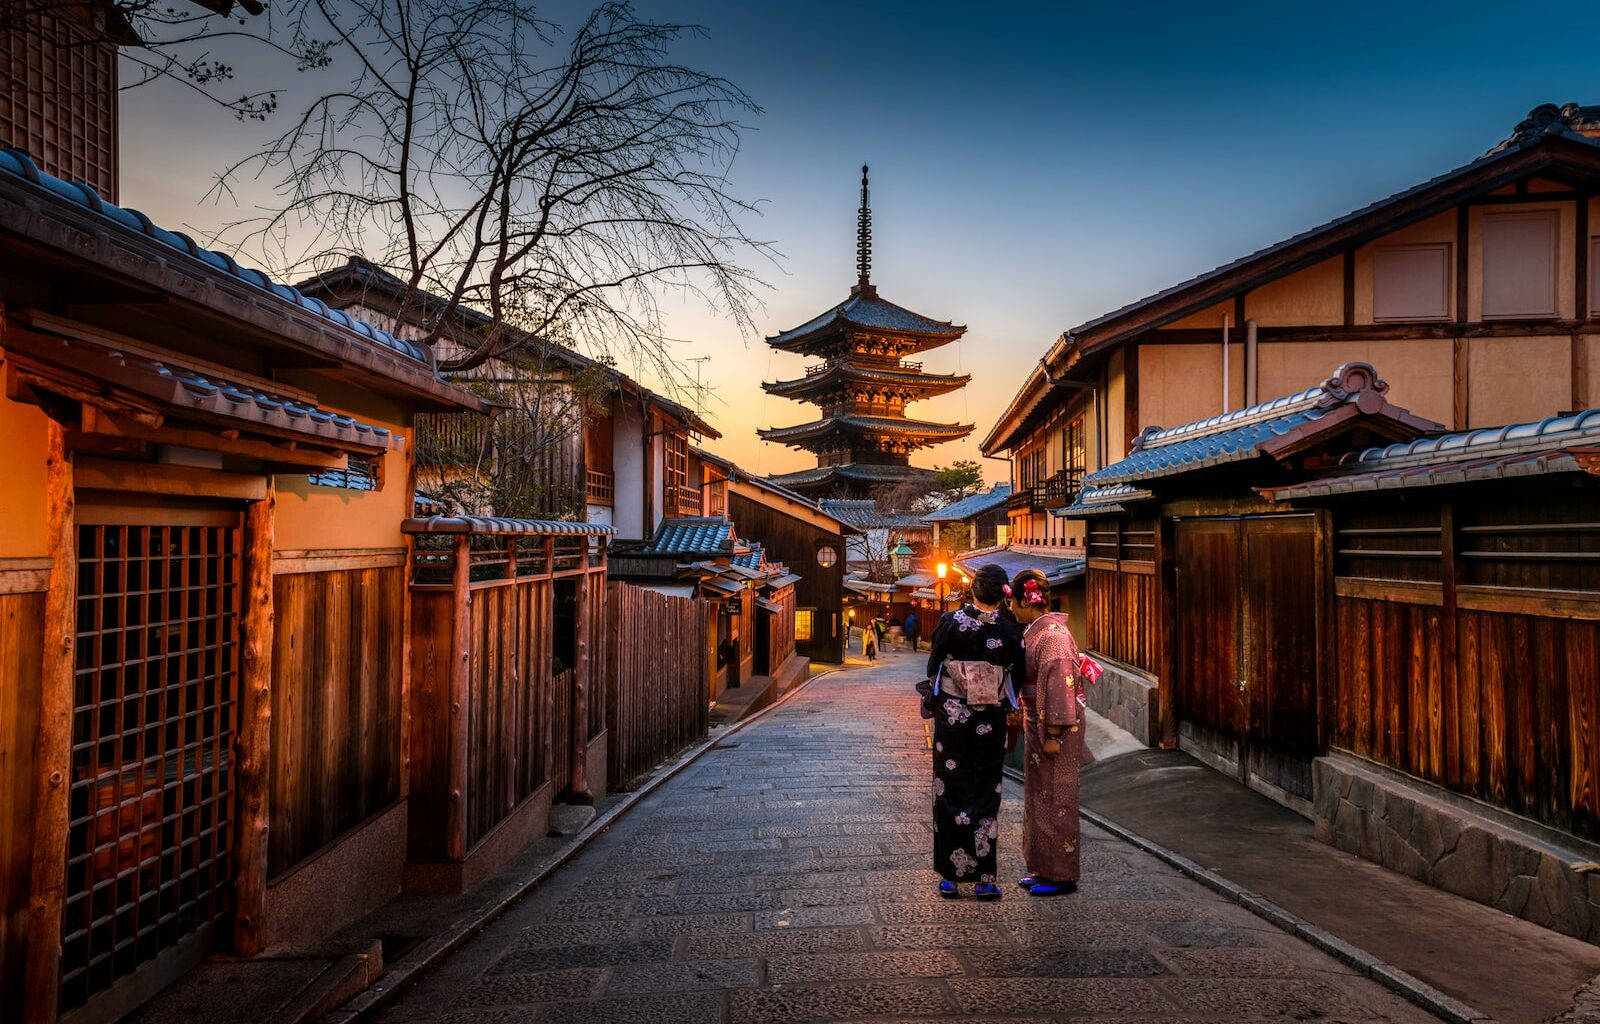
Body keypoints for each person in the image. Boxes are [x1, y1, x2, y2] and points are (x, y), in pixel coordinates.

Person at [924, 564, 1025, 899]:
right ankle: (984, 879)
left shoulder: (951, 622)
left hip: (953, 721)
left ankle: (950, 878)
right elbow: (1017, 676)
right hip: (989, 722)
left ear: (974, 589)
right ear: (1002, 594)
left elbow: (934, 664)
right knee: (984, 792)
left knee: (949, 790)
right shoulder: (1010, 630)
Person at [1009, 568, 1085, 896]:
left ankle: (1061, 875)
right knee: (1039, 796)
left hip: (1057, 729)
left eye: (1014, 602)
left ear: (1029, 599)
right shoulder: (1038, 632)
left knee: (1058, 798)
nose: (1010, 608)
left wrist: (1054, 734)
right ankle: (1041, 866)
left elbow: (1060, 687)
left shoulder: (1052, 637)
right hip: (1038, 722)